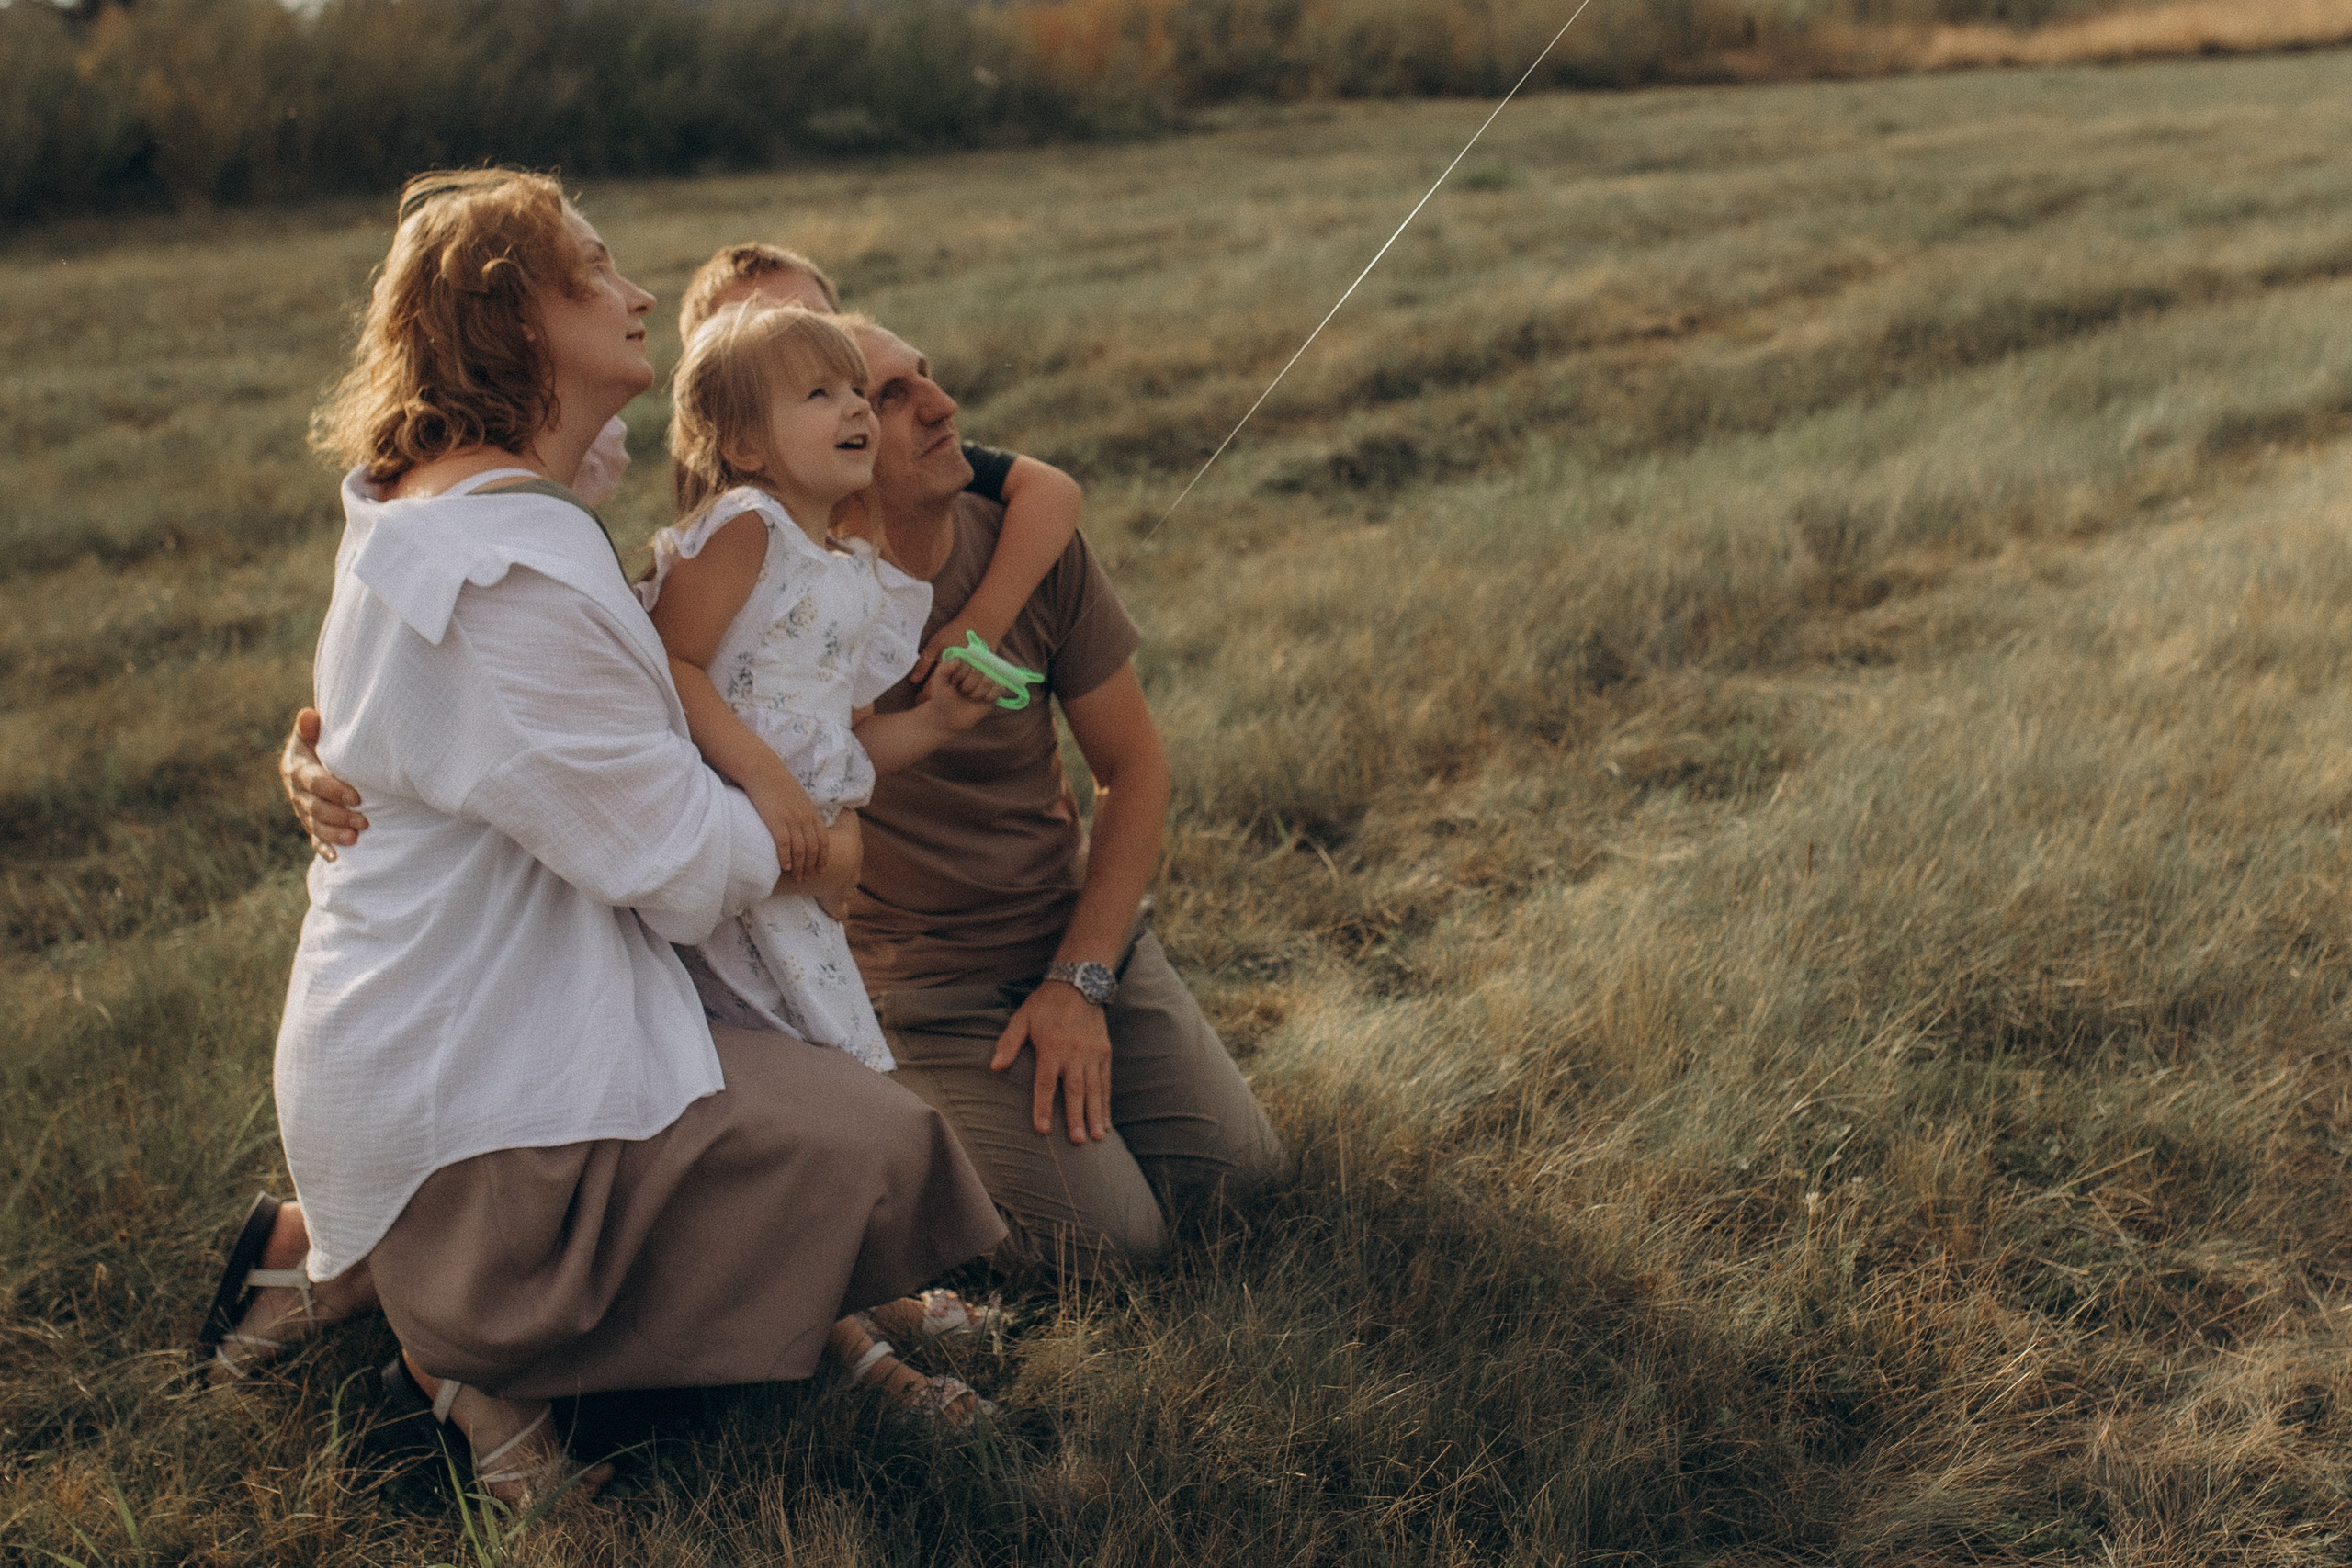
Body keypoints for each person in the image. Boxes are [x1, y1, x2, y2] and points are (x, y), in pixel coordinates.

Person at [208, 170, 1006, 1507]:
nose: (638, 291)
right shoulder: (499, 572)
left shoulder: (486, 493)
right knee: (866, 1147)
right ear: (515, 320)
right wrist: (833, 848)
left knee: (845, 1122)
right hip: (472, 1077)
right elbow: (688, 865)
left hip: (494, 1014)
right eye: (594, 270)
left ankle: (345, 1265)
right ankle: (449, 1320)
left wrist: (330, 746)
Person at [644, 301, 1001, 1066]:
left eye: (854, 391)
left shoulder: (850, 568)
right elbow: (673, 665)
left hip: (801, 867)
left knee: (837, 1059)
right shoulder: (746, 527)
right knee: (752, 1047)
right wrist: (766, 779)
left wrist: (937, 721)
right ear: (743, 444)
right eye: (819, 395)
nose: (855, 408)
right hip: (738, 827)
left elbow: (844, 742)